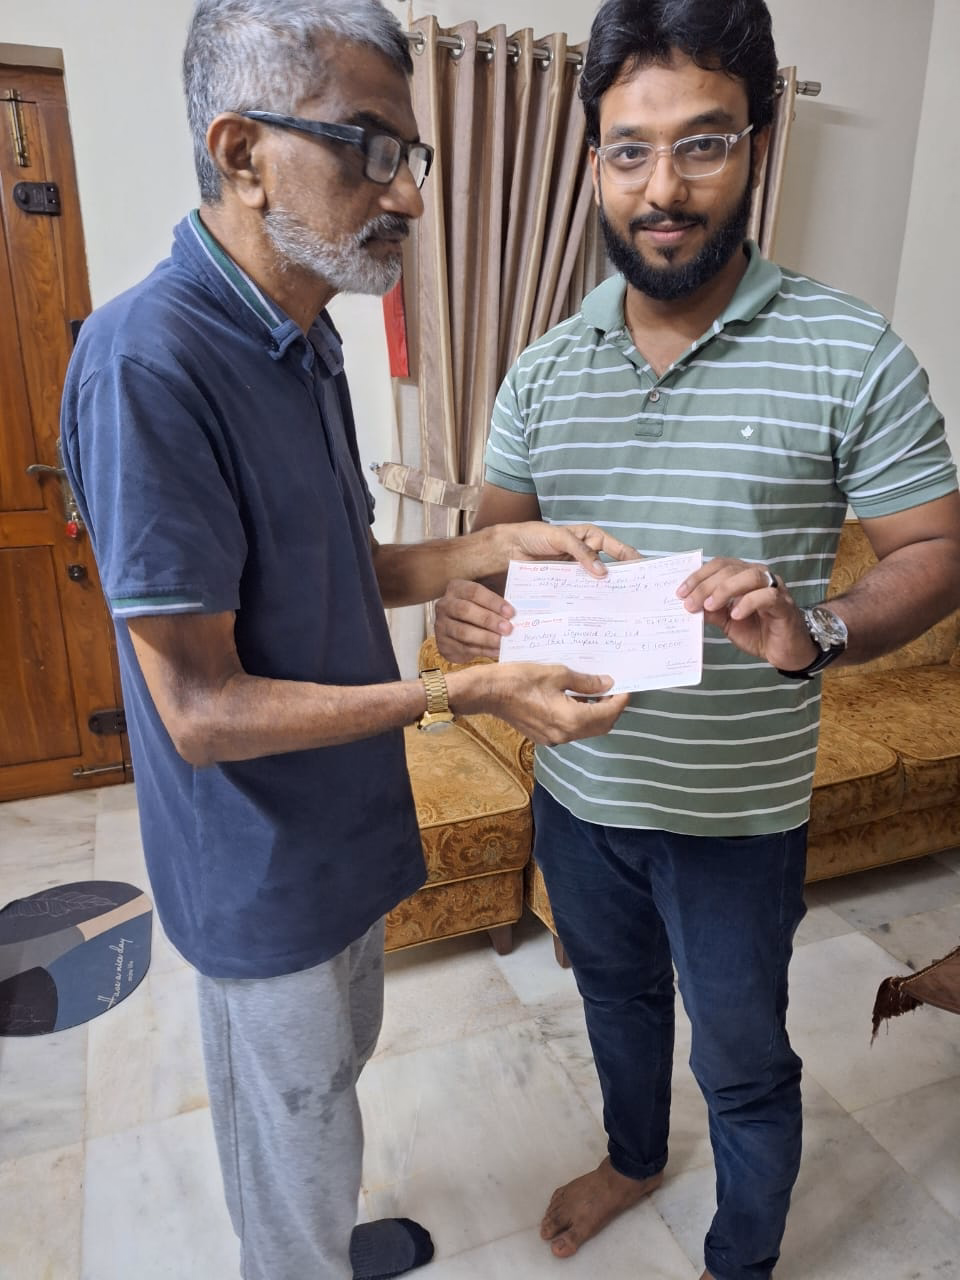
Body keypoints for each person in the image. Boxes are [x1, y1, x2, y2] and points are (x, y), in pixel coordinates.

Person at [59, 3, 638, 1279]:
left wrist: (485, 551)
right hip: (260, 865)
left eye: (408, 156)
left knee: (327, 1097)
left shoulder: (306, 334)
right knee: (294, 1129)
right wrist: (470, 687)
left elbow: (327, 573)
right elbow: (200, 711)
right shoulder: (148, 362)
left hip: (344, 825)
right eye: (368, 148)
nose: (409, 197)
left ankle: (319, 1232)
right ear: (242, 149)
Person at [433, 2, 960, 1277]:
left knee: (740, 1052)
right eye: (628, 150)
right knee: (613, 1003)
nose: (661, 187)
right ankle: (631, 1154)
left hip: (737, 820)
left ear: (759, 144)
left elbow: (937, 550)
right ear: (594, 160)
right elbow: (489, 550)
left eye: (702, 144)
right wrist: (465, 611)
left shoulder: (849, 351)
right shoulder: (545, 366)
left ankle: (742, 1256)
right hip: (582, 796)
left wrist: (814, 621)